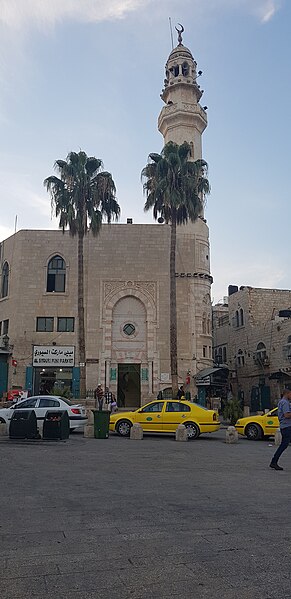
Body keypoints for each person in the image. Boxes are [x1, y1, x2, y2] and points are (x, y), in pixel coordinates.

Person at [270, 389, 291, 470]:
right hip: (287, 426)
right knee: (284, 445)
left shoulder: (281, 402)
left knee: (284, 445)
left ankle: (274, 461)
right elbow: (286, 415)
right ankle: (274, 462)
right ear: (288, 394)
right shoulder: (285, 403)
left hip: (285, 426)